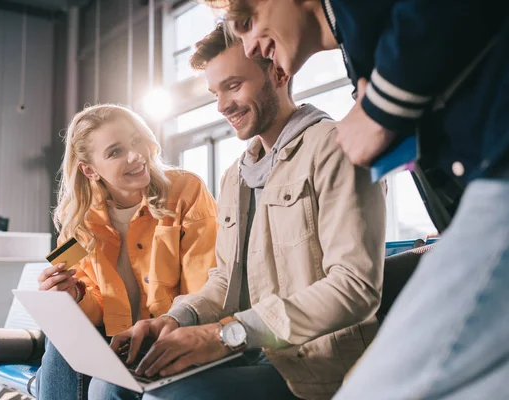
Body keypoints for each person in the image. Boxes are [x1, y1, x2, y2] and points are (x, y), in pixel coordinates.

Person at [202, 0, 509, 398]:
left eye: (247, 21)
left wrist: (382, 109)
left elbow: (353, 288)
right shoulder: (235, 176)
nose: (248, 46)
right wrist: (182, 321)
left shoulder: (331, 139)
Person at [102, 25, 386, 400]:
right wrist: (173, 320)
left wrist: (226, 334)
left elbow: (354, 287)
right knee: (111, 385)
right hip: (249, 351)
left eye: (234, 86)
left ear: (279, 74)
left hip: (315, 368)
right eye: (216, 92)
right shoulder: (235, 176)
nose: (222, 105)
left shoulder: (334, 149)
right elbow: (225, 281)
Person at [35, 104, 218, 400]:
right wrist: (72, 296)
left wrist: (166, 326)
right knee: (60, 340)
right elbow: (95, 301)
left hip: (169, 332)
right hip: (115, 339)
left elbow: (204, 287)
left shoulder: (186, 190)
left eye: (136, 141)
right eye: (115, 151)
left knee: (100, 386)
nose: (136, 155)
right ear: (89, 170)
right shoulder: (77, 219)